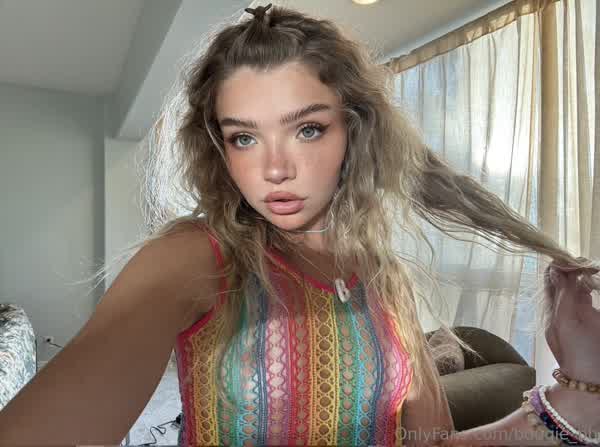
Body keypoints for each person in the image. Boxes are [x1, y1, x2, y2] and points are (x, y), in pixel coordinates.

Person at [0, 4, 598, 446]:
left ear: (355, 132)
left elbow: (432, 444)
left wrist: (577, 388)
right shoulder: (195, 258)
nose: (274, 169)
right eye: (243, 137)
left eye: (307, 128)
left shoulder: (384, 275)